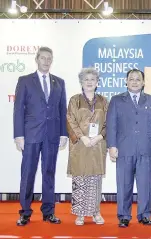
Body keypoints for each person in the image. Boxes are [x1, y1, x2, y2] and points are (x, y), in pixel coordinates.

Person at [13, 46, 68, 226]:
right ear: (37, 59)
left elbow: (62, 109)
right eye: (43, 58)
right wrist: (19, 135)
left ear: (52, 61)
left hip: (52, 135)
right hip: (31, 135)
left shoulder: (59, 82)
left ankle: (49, 212)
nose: (46, 61)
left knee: (49, 173)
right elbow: (18, 109)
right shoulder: (25, 81)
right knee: (28, 173)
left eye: (49, 58)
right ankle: (25, 212)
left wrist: (63, 134)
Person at [106, 69, 151, 228]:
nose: (135, 82)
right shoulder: (116, 100)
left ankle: (145, 215)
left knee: (145, 184)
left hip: (145, 148)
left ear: (143, 82)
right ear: (126, 81)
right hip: (124, 148)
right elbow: (111, 125)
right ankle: (124, 215)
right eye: (132, 79)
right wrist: (112, 145)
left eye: (138, 79)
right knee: (124, 184)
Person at [66, 68, 108, 226]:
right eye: (86, 79)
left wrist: (99, 136)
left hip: (98, 145)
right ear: (81, 82)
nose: (89, 82)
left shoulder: (104, 101)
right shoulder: (74, 100)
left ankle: (96, 212)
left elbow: (109, 123)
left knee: (95, 180)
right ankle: (80, 214)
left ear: (97, 82)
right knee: (80, 178)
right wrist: (82, 137)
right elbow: (70, 120)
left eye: (92, 79)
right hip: (79, 145)